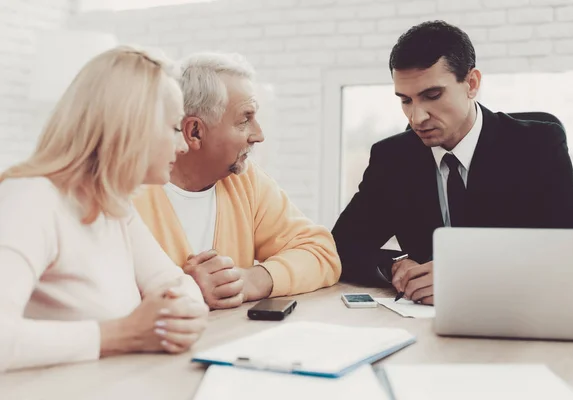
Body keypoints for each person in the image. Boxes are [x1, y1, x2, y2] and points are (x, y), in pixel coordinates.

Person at [332, 20, 573, 306]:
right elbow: (340, 247)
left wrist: (466, 275)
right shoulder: (393, 159)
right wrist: (396, 265)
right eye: (405, 100)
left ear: (471, 84)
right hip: (425, 326)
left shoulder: (537, 145)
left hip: (516, 315)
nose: (417, 117)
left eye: (432, 96)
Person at [0, 46, 209, 372]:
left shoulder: (113, 205)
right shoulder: (30, 199)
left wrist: (183, 314)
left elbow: (175, 283)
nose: (182, 146)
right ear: (130, 126)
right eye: (173, 128)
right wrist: (121, 334)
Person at [134, 52, 341, 309]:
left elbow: (321, 253)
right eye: (245, 119)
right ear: (194, 132)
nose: (259, 135)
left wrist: (249, 280)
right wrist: (185, 289)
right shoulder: (127, 192)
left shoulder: (244, 180)